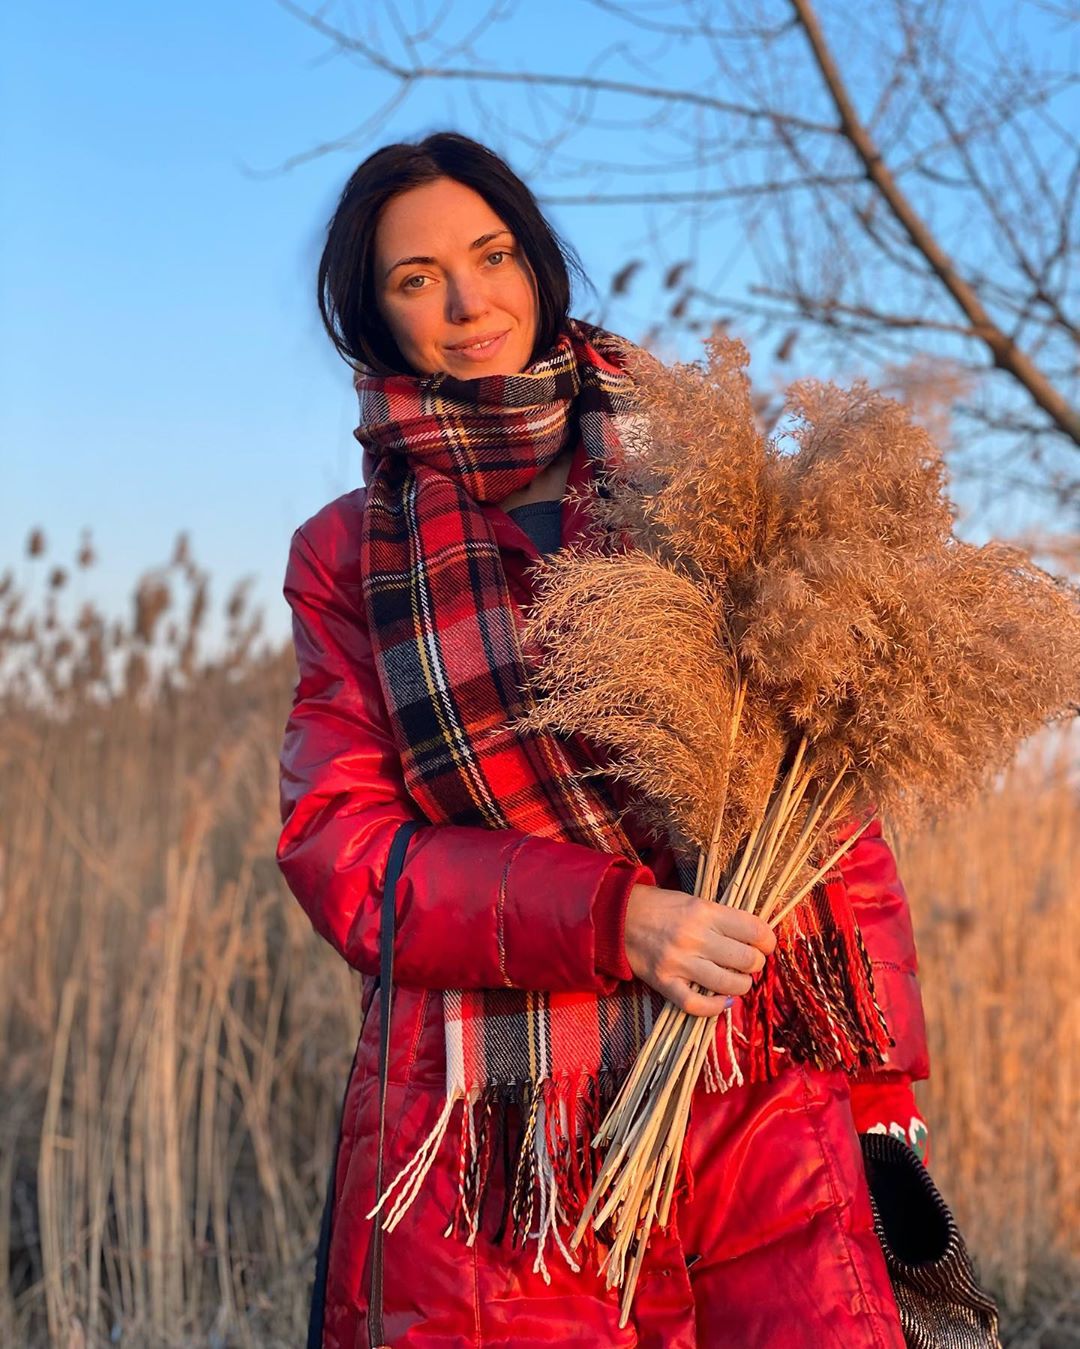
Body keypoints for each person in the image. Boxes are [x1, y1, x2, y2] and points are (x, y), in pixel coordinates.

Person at [276, 131, 930, 1349]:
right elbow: (341, 847)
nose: (471, 302)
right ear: (371, 315)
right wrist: (612, 915)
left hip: (754, 1077)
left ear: (538, 261)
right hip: (496, 1136)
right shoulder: (347, 554)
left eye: (493, 254)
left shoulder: (695, 478)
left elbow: (829, 783)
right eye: (418, 278)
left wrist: (882, 1078)